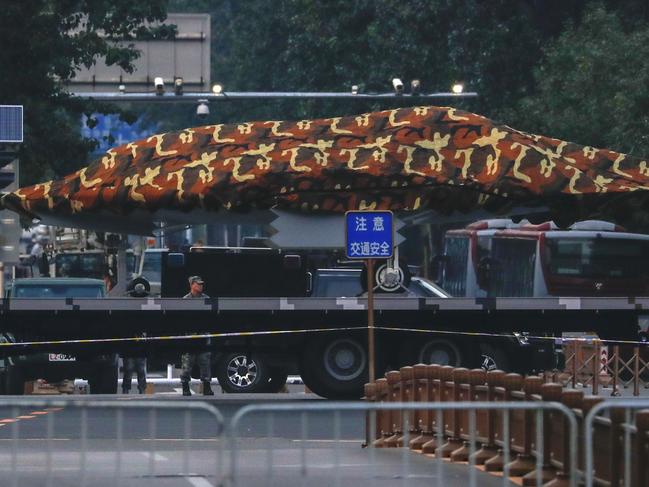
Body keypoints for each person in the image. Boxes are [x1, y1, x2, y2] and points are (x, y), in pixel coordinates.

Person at [180, 276, 214, 396]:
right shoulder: (185, 300)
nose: (200, 286)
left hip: (203, 337)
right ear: (192, 285)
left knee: (205, 363)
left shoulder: (206, 299)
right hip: (189, 337)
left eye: (201, 284)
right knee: (187, 364)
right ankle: (185, 387)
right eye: (198, 284)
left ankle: (207, 387)